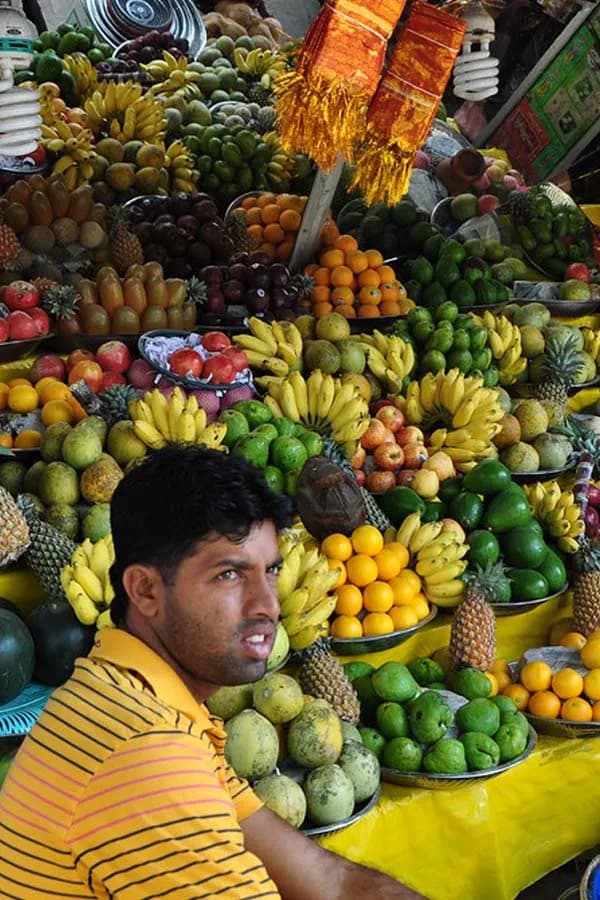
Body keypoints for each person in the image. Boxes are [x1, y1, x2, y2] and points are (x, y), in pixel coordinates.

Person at [0, 446, 426, 899]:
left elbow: (331, 882)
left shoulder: (136, 695)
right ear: (144, 590)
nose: (269, 605)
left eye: (271, 571)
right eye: (229, 575)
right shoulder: (143, 752)